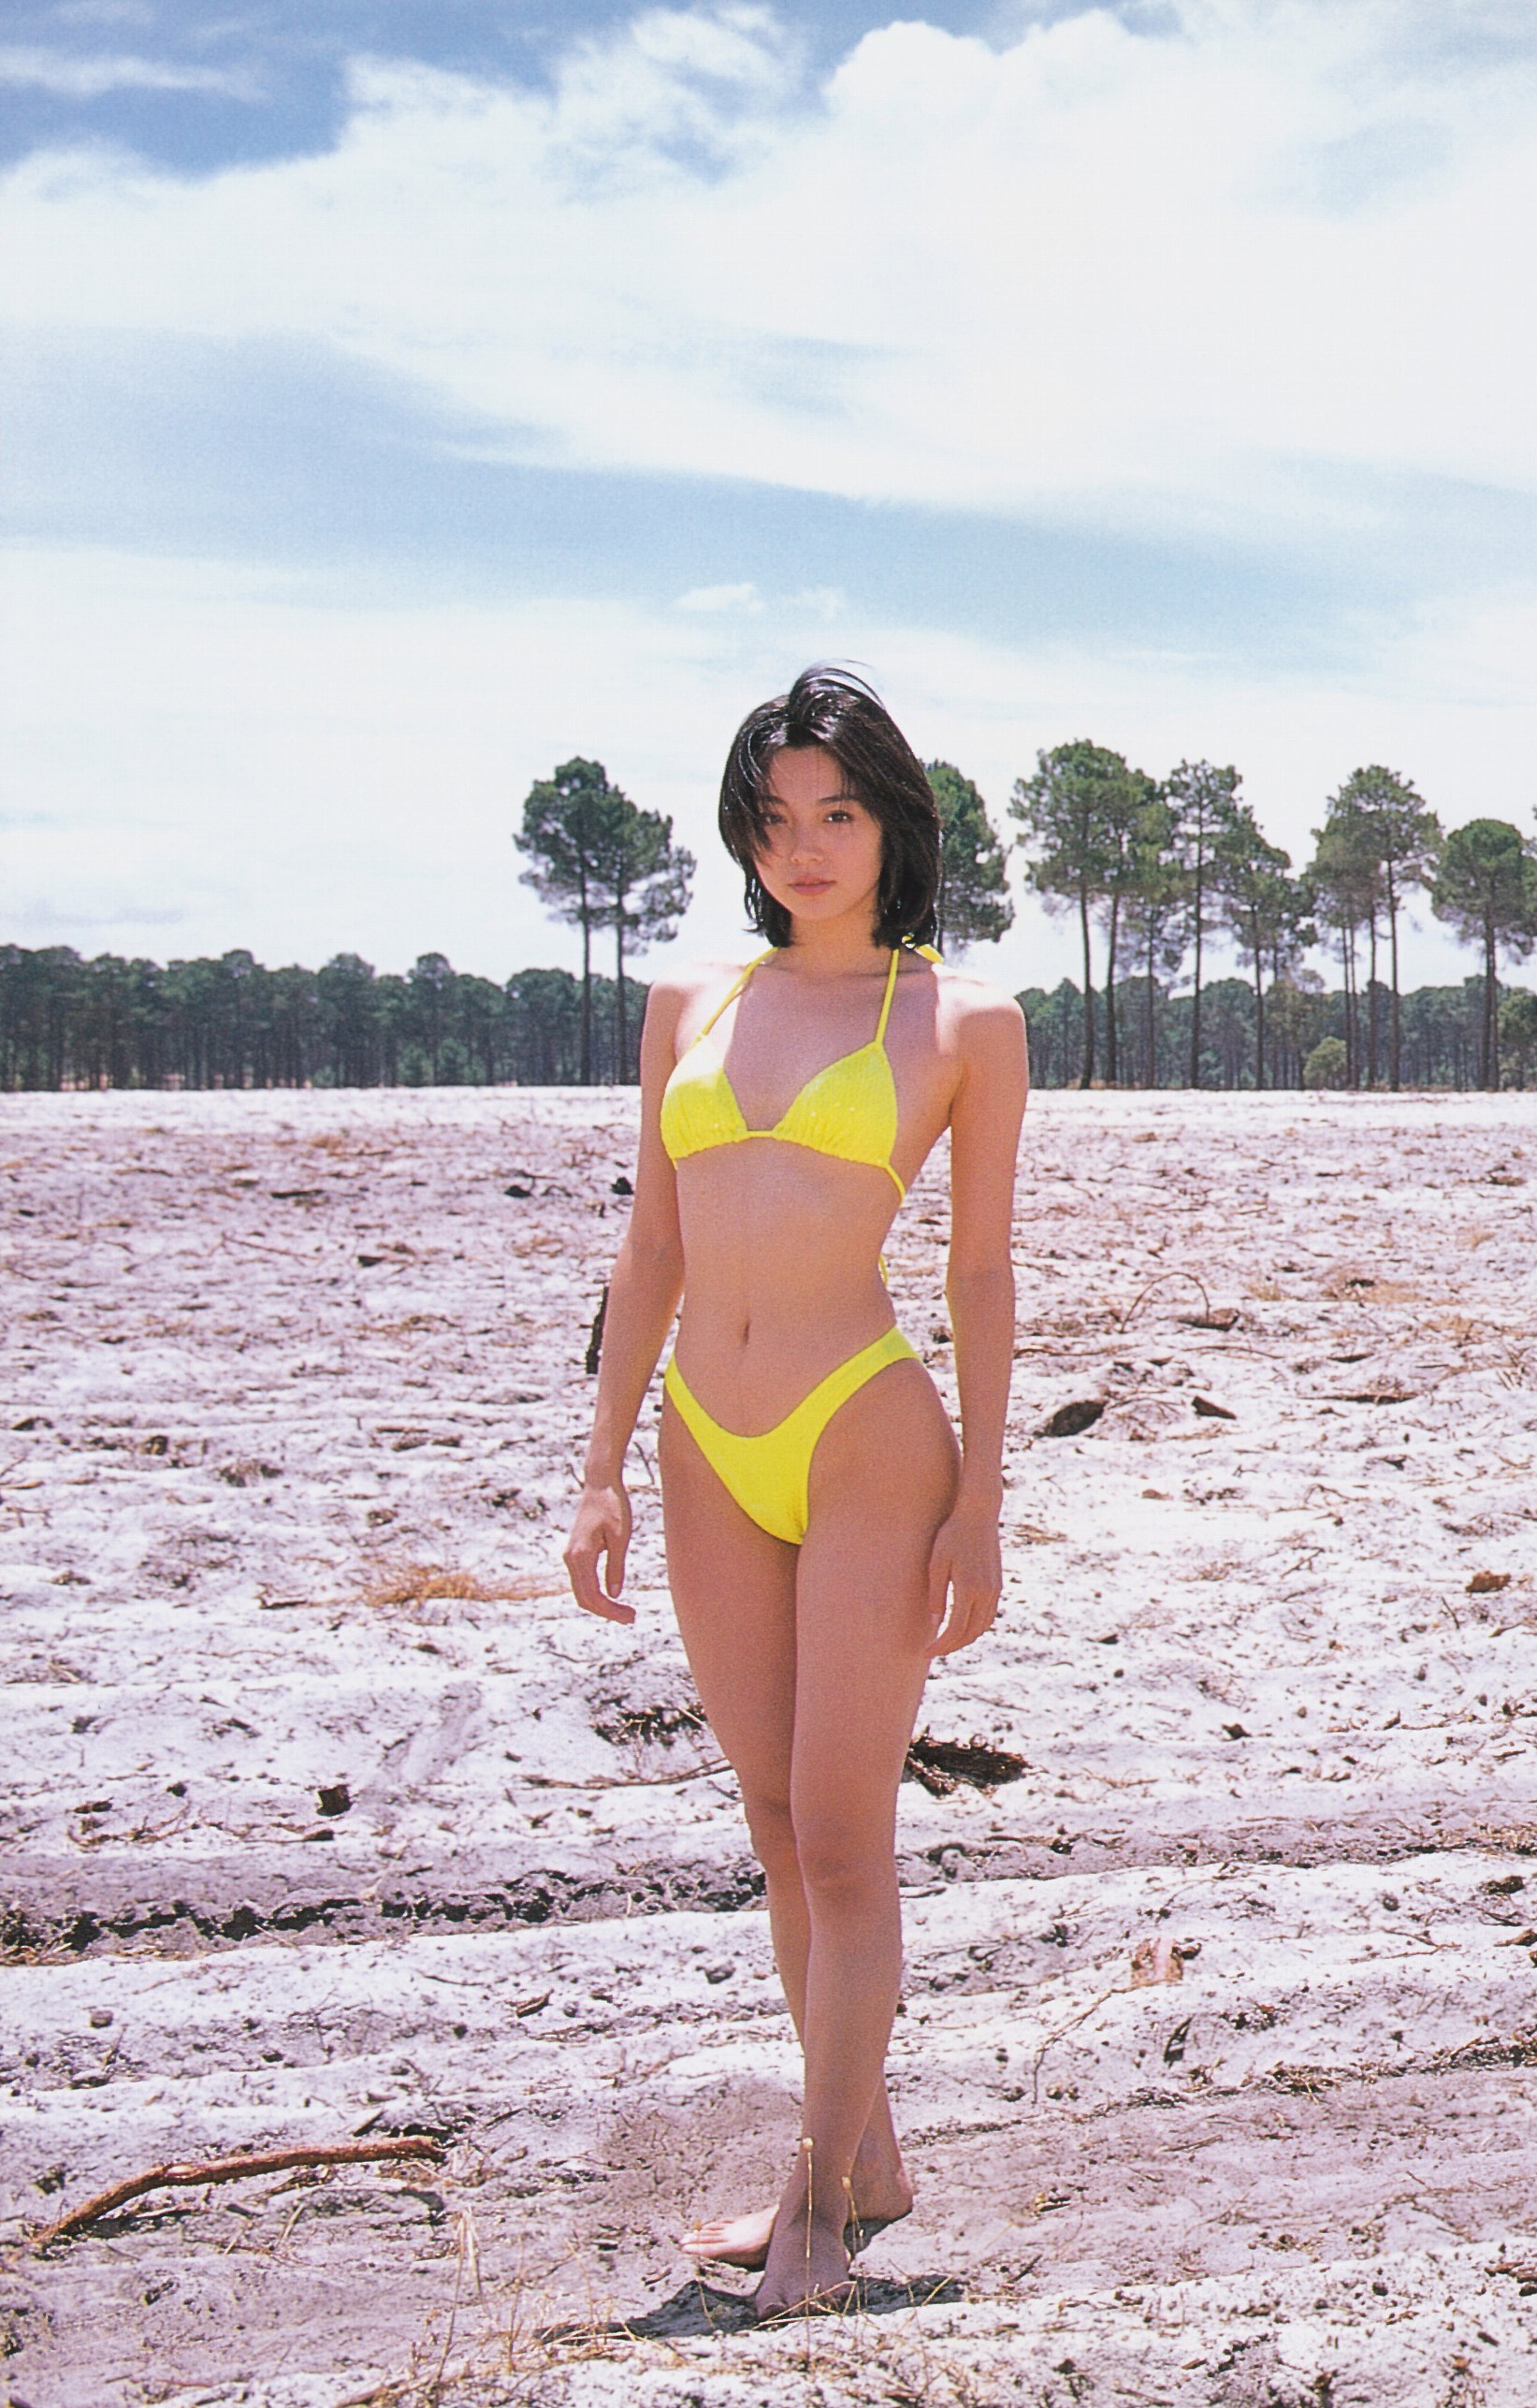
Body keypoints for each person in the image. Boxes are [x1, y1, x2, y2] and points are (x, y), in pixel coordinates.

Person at [564, 665, 1026, 2319]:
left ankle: (815, 2201)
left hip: (865, 1435)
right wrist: (602, 1463)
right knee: (774, 1826)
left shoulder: (961, 1021)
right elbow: (652, 1245)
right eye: (774, 818)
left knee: (841, 1837)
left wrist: (982, 1497)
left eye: (838, 812)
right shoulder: (688, 999)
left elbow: (980, 1270)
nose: (806, 846)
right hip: (705, 1435)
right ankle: (870, 2153)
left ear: (893, 822)